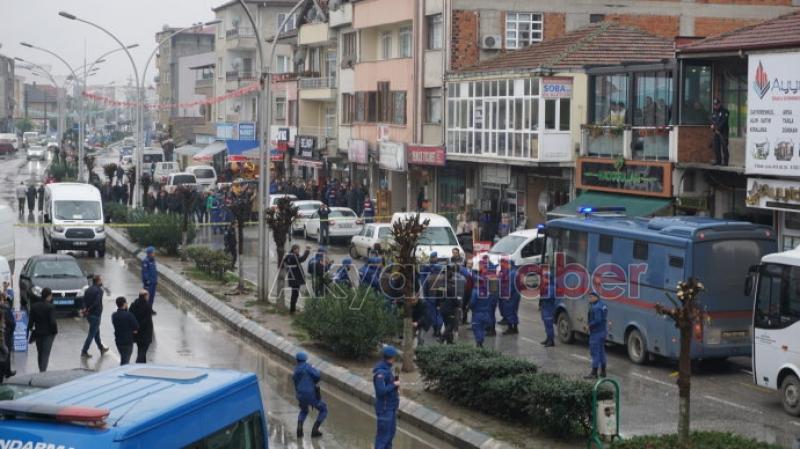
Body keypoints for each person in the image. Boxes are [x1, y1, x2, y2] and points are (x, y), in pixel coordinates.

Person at [293, 351, 327, 438]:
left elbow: (295, 383)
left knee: (304, 411)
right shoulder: (308, 367)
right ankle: (315, 430)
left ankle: (299, 429)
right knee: (323, 410)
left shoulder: (296, 370)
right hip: (311, 395)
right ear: (305, 359)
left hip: (300, 395)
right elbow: (317, 376)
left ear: (297, 360)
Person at [373, 345, 400, 449]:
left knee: (390, 435)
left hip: (391, 408)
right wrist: (394, 384)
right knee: (383, 438)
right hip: (385, 409)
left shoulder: (388, 369)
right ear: (392, 358)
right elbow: (380, 391)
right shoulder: (381, 373)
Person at [28, 287, 58, 372]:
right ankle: (43, 372)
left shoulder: (34, 306)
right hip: (48, 334)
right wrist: (55, 332)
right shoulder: (50, 307)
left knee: (40, 353)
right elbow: (53, 322)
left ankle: (40, 369)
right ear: (49, 296)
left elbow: (30, 321)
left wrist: (30, 331)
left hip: (38, 333)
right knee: (45, 354)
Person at [81, 274, 110, 358]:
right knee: (91, 334)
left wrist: (85, 309)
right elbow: (96, 303)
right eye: (101, 280)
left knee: (96, 332)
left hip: (89, 315)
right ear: (98, 281)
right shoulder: (99, 290)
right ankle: (84, 351)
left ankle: (101, 348)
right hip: (96, 314)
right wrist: (89, 309)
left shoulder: (88, 289)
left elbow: (84, 300)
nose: (102, 281)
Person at [585, 292, 609, 379]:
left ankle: (594, 373)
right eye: (589, 297)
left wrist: (589, 325)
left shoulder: (596, 307)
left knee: (594, 352)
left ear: (596, 297)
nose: (589, 299)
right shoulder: (602, 305)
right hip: (603, 332)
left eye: (591, 297)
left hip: (596, 333)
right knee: (601, 352)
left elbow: (597, 320)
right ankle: (603, 371)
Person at [282, 244, 311, 314]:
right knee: (295, 294)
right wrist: (307, 250)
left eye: (299, 249)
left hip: (293, 278)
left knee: (295, 294)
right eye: (298, 249)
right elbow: (302, 259)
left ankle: (292, 309)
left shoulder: (289, 256)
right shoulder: (293, 257)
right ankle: (292, 310)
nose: (298, 251)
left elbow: (284, 262)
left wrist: (288, 269)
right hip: (295, 279)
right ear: (294, 250)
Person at [111, 297, 139, 366]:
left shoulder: (114, 315)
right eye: (126, 303)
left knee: (123, 359)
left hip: (118, 341)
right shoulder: (129, 315)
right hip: (127, 341)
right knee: (125, 362)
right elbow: (136, 326)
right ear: (124, 304)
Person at [129, 289, 154, 364]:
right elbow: (146, 321)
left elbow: (131, 316)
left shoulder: (133, 305)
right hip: (145, 333)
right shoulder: (147, 306)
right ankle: (138, 365)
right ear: (145, 296)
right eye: (147, 295)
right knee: (142, 351)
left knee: (140, 349)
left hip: (136, 332)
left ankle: (143, 365)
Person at [498, 259, 520, 335]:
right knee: (514, 311)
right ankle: (515, 328)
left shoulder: (512, 273)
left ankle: (510, 328)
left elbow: (511, 285)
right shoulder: (517, 272)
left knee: (509, 311)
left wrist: (508, 295)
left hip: (511, 296)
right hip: (516, 295)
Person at [0, 293, 15, 382]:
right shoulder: (5, 308)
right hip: (4, 335)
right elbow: (12, 323)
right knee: (5, 353)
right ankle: (6, 372)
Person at [710, 98, 730, 166]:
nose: (715, 106)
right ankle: (718, 161)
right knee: (716, 147)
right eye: (714, 105)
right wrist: (713, 127)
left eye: (717, 104)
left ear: (720, 104)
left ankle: (725, 162)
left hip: (723, 132)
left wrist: (718, 129)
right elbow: (712, 121)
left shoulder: (725, 112)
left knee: (724, 147)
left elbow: (723, 122)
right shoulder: (714, 112)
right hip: (716, 132)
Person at [141, 246, 158, 314]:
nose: (154, 253)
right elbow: (144, 272)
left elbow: (154, 271)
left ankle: (150, 309)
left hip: (153, 282)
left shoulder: (153, 260)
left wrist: (155, 280)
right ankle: (145, 310)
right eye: (153, 252)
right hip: (148, 283)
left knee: (152, 297)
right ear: (149, 253)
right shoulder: (146, 261)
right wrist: (147, 281)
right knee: (147, 297)